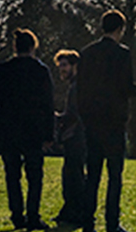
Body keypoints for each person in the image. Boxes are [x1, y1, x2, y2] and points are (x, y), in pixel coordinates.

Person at [78, 10, 136, 232]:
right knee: (114, 175)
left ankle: (88, 221)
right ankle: (111, 222)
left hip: (92, 122)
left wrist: (85, 116)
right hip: (114, 122)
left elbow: (80, 90)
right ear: (120, 29)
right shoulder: (122, 54)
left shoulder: (87, 53)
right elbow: (125, 87)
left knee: (93, 175)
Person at [0, 28, 56, 230]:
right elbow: (48, 105)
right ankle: (33, 215)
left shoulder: (2, 70)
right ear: (33, 46)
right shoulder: (41, 71)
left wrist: (1, 118)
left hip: (9, 129)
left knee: (12, 174)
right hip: (33, 130)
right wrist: (49, 133)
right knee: (35, 175)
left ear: (15, 46)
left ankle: (17, 215)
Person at [52, 49, 86, 228]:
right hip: (76, 135)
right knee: (72, 175)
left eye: (64, 65)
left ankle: (76, 211)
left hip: (76, 135)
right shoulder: (76, 85)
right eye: (60, 67)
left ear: (75, 66)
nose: (61, 70)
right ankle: (71, 210)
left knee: (73, 176)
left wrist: (57, 118)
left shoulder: (77, 86)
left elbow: (73, 114)